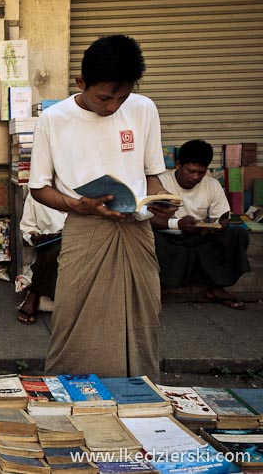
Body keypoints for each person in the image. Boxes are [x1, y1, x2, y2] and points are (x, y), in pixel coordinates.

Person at [28, 35, 177, 380]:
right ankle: (74, 393)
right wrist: (80, 204)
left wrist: (159, 200)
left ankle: (140, 394)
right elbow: (39, 189)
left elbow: (153, 175)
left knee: (142, 315)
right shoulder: (54, 119)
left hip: (136, 230)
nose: (113, 107)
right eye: (104, 97)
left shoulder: (143, 109)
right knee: (75, 316)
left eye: (121, 98)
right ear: (81, 83)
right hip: (85, 229)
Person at [152, 139, 250, 309]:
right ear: (178, 164)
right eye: (191, 171)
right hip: (169, 237)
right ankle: (157, 287)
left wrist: (218, 226)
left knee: (237, 234)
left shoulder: (212, 184)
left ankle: (216, 288)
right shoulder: (160, 183)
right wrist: (178, 224)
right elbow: (149, 218)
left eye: (201, 172)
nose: (196, 177)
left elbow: (221, 217)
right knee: (148, 237)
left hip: (200, 236)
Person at [15, 194, 66, 324]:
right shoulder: (36, 194)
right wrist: (35, 236)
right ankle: (35, 293)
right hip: (50, 243)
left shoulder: (78, 187)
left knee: (59, 247)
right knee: (55, 248)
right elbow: (28, 227)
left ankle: (34, 293)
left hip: (80, 239)